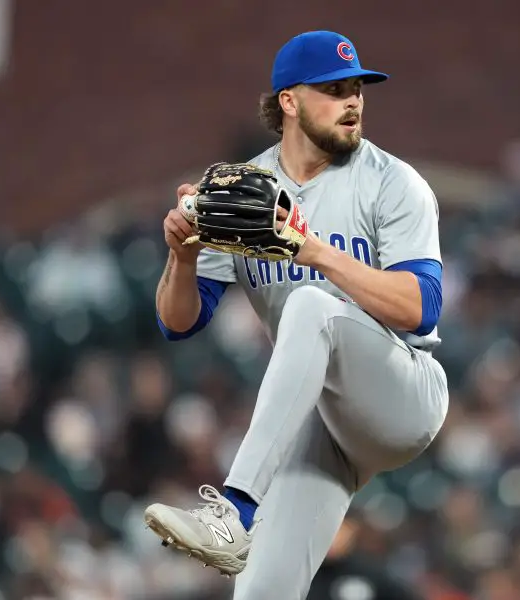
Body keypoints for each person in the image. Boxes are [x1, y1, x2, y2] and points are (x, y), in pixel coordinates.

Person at [144, 30, 449, 600]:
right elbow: (179, 323)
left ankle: (234, 511)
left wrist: (312, 250)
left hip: (401, 390)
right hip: (321, 418)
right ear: (288, 100)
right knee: (261, 592)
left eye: (357, 87)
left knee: (312, 304)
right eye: (334, 89)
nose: (352, 100)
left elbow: (420, 308)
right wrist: (181, 260)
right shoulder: (244, 192)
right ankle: (238, 532)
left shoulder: (392, 183)